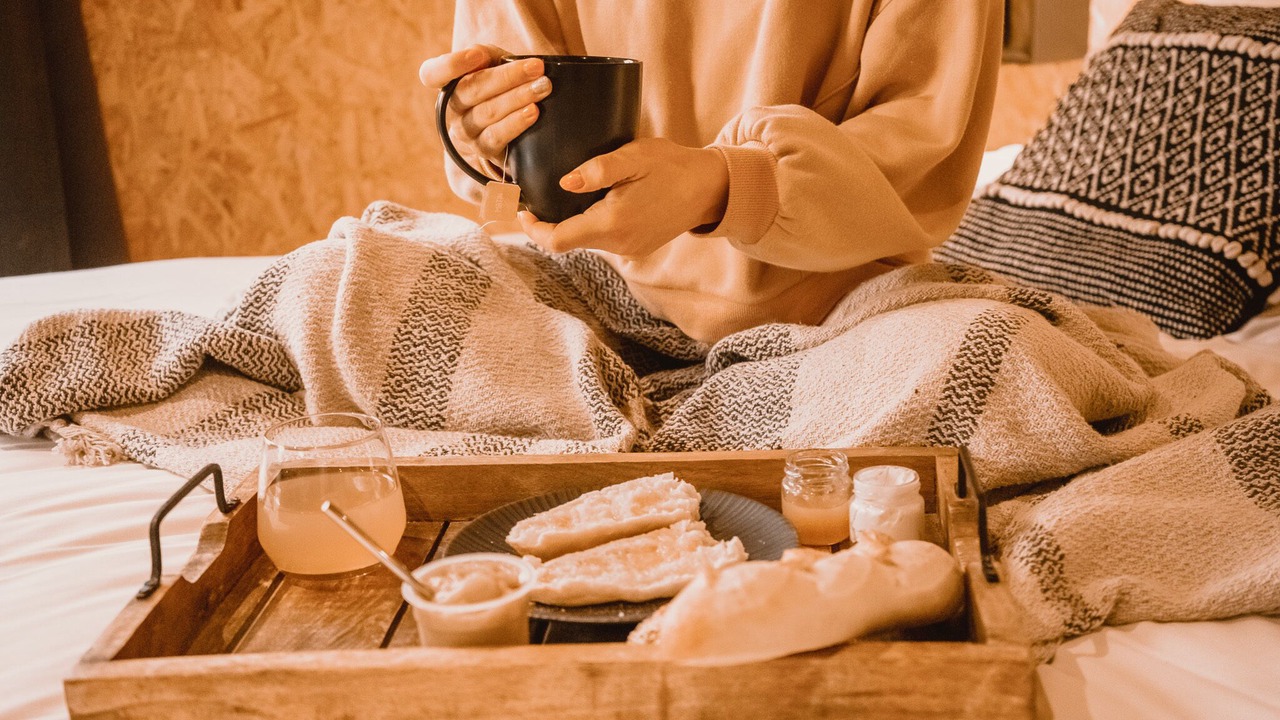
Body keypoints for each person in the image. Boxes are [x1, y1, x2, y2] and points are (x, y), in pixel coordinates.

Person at [420, 1, 1003, 344]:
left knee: (996, 359)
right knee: (331, 285)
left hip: (841, 318)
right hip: (594, 291)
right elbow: (504, 157)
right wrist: (490, 135)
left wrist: (726, 187)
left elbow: (923, 153)